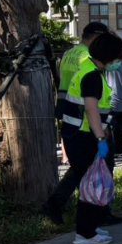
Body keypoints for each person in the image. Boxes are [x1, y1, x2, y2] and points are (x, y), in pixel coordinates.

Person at [52, 31, 122, 244]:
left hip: (78, 134)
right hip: (84, 136)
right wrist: (101, 138)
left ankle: (90, 228)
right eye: (118, 59)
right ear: (108, 57)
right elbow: (92, 109)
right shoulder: (92, 76)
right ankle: (84, 234)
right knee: (91, 184)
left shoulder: (90, 70)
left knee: (89, 181)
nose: (119, 63)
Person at [43, 22, 110, 224]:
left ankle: (91, 209)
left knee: (81, 167)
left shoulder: (70, 53)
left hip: (69, 112)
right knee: (90, 167)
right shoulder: (87, 58)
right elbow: (91, 93)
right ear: (96, 37)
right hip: (85, 120)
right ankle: (95, 211)